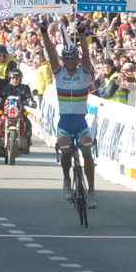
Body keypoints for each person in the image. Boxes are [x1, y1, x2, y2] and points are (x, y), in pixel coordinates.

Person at [41, 18, 98, 209]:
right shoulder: (59, 73)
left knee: (87, 150)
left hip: (80, 123)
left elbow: (88, 56)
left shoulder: (84, 73)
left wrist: (82, 34)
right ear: (64, 60)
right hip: (64, 124)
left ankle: (91, 190)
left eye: (74, 57)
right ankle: (66, 180)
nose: (71, 61)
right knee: (65, 150)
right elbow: (50, 53)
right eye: (68, 58)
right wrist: (43, 34)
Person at [0, 69, 35, 154]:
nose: (14, 80)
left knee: (28, 123)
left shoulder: (24, 88)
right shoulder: (3, 88)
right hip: (5, 111)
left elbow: (29, 96)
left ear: (20, 79)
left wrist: (31, 101)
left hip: (19, 111)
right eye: (13, 78)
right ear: (9, 79)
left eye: (17, 78)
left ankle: (28, 142)